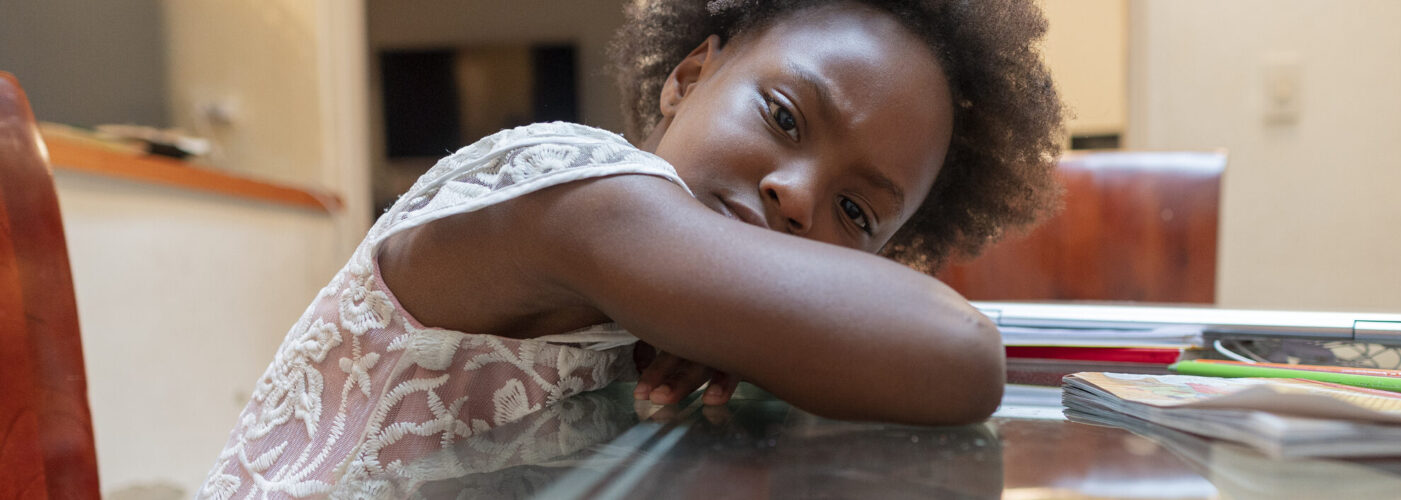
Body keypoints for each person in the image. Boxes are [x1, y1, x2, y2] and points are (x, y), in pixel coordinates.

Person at [198, 0, 1062, 496]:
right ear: (688, 79)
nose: (796, 197)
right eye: (785, 117)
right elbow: (960, 357)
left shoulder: (663, 292)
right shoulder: (575, 192)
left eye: (855, 212)